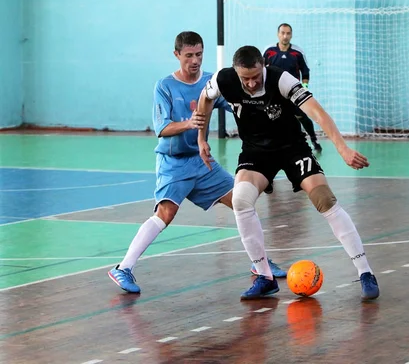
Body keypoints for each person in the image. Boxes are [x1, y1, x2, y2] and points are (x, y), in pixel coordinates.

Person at [196, 45, 379, 301]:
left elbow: (318, 112)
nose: (250, 83)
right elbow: (205, 100)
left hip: (291, 147)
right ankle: (264, 276)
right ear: (236, 72)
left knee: (324, 199)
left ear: (263, 66)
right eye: (245, 78)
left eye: (255, 76)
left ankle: (365, 272)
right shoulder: (222, 79)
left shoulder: (281, 79)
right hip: (256, 151)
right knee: (240, 200)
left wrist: (343, 149)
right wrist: (201, 139)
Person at [107, 33, 286, 294]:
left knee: (242, 202)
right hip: (174, 164)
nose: (195, 60)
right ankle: (123, 268)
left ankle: (260, 264)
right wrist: (190, 123)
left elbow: (238, 104)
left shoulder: (210, 82)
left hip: (203, 163)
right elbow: (162, 128)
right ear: (177, 55)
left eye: (199, 54)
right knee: (165, 214)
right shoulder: (165, 86)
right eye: (189, 55)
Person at [263, 23, 322, 153]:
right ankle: (271, 143)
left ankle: (313, 139)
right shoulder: (269, 51)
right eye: (282, 33)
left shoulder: (297, 52)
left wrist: (304, 87)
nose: (285, 36)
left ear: (291, 35)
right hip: (274, 92)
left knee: (301, 116)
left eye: (288, 33)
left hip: (293, 91)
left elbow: (305, 72)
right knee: (271, 116)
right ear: (278, 34)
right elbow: (261, 70)